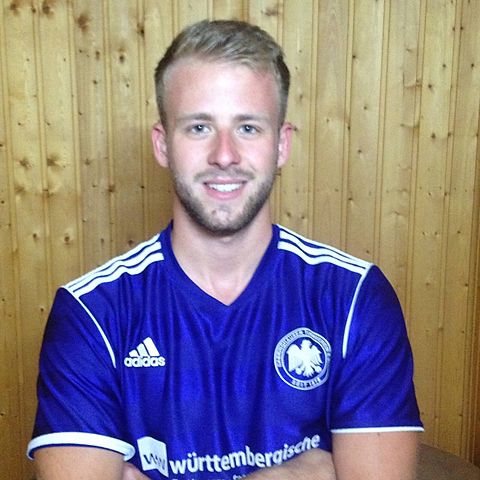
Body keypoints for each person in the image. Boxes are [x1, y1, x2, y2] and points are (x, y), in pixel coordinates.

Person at [28, 19, 423, 480]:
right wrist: (304, 472)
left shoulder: (353, 297)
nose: (224, 155)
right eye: (199, 127)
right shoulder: (92, 312)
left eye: (248, 128)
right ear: (163, 145)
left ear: (281, 145)